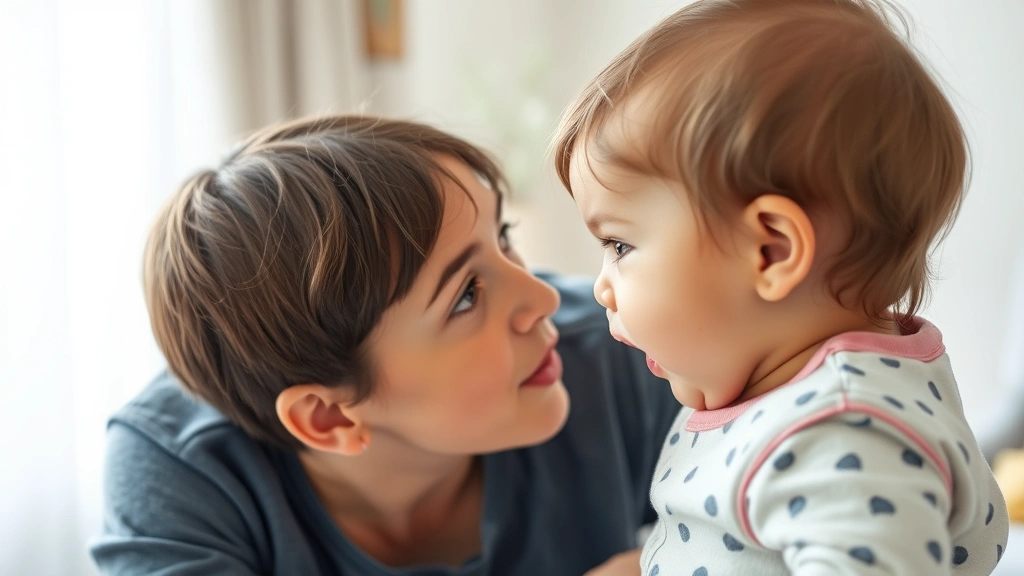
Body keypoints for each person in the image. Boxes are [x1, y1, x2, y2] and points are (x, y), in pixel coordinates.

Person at [90, 115, 679, 575]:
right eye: (466, 296)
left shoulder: (625, 349)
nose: (541, 299)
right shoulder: (180, 473)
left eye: (502, 237)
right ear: (327, 417)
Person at [553, 0, 1009, 574]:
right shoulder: (795, 398)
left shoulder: (845, 434)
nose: (602, 288)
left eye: (620, 246)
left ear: (771, 251)